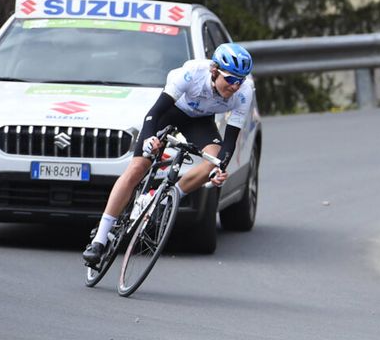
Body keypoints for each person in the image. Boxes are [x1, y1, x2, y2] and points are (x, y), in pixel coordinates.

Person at [82, 43, 255, 265]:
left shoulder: (244, 92)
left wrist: (220, 169)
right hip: (171, 112)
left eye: (240, 81)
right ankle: (99, 239)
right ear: (214, 71)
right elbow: (154, 112)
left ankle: (165, 198)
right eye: (231, 79)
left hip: (201, 121)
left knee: (213, 161)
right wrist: (148, 140)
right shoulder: (192, 74)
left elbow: (231, 137)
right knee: (137, 167)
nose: (235, 86)